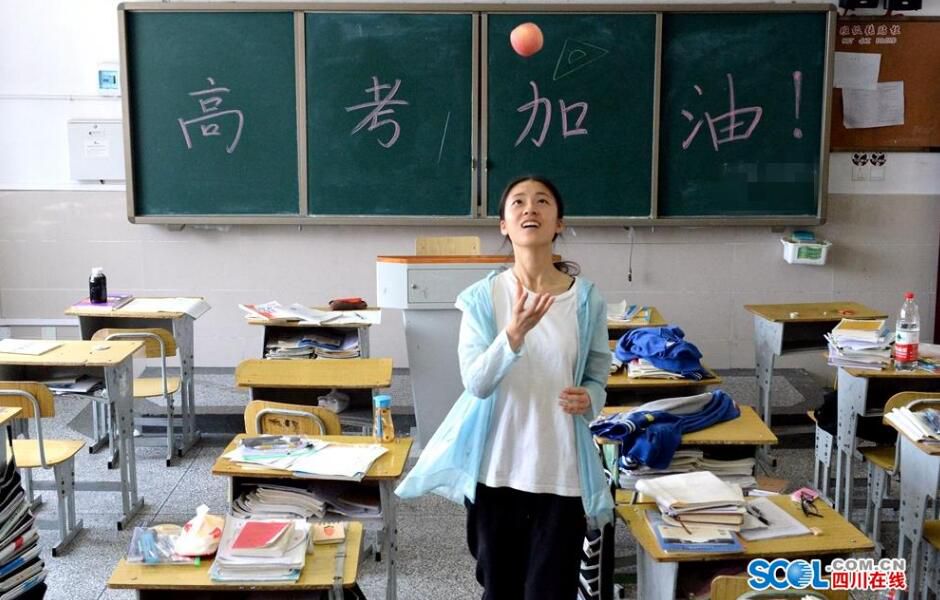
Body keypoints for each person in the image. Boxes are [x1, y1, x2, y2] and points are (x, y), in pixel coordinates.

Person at [396, 175, 613, 599]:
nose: (530, 208)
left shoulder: (586, 299)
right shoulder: (482, 298)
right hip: (496, 471)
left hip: (562, 471)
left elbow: (598, 373)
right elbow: (476, 384)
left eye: (542, 201)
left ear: (558, 223)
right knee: (500, 590)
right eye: (518, 202)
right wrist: (512, 335)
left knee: (552, 591)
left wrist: (590, 396)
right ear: (504, 225)